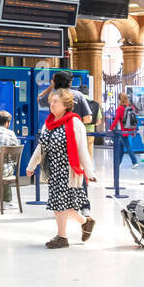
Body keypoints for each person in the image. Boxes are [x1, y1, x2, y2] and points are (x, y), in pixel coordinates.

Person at [25, 88, 97, 249]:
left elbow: (82, 149)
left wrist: (89, 172)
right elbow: (41, 147)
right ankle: (85, 222)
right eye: (51, 101)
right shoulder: (48, 123)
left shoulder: (75, 123)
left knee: (60, 206)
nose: (52, 104)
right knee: (64, 206)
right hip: (54, 170)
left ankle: (62, 237)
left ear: (66, 105)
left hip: (69, 170)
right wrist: (31, 165)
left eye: (56, 101)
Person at [109, 93, 141, 171]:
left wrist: (111, 128)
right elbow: (134, 120)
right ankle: (118, 163)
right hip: (130, 130)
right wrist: (134, 130)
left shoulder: (120, 108)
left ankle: (134, 161)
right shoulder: (131, 107)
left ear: (119, 99)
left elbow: (116, 119)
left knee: (127, 146)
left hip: (123, 131)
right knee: (121, 147)